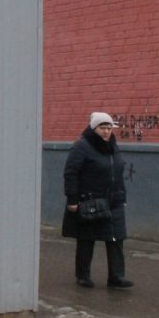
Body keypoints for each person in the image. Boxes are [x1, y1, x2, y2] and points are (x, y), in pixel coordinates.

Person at [62, 112, 134, 289]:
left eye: (109, 128)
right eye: (102, 128)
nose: (106, 131)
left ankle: (116, 277)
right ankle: (83, 276)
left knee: (116, 238)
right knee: (87, 239)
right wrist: (72, 199)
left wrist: (121, 196)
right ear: (94, 128)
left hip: (113, 201)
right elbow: (71, 173)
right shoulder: (82, 146)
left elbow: (117, 173)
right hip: (90, 201)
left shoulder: (112, 146)